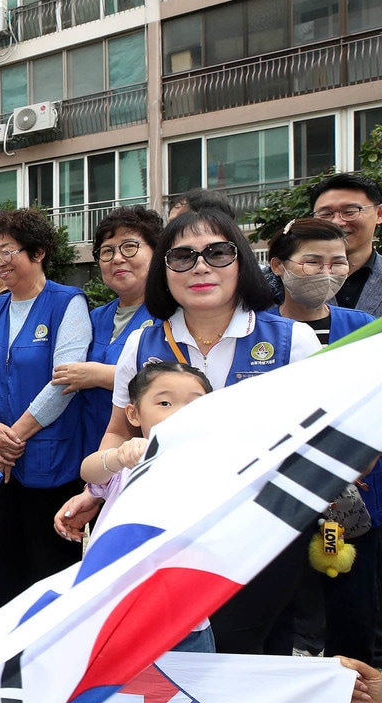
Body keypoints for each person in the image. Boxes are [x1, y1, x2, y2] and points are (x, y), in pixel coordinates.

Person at [101, 207, 321, 654]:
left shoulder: (292, 341)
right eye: (181, 257)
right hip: (164, 542)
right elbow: (116, 435)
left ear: (241, 260)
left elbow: (321, 444)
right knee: (172, 662)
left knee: (251, 657)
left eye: (217, 253)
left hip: (263, 536)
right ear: (165, 272)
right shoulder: (141, 342)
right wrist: (101, 488)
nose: (200, 266)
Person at [266, 218, 379, 670]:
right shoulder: (260, 330)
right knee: (282, 611)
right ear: (278, 266)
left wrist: (361, 458)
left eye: (338, 262)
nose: (326, 272)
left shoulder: (364, 327)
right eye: (312, 261)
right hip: (280, 493)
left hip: (356, 492)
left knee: (351, 607)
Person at [0, 209, 90, 601]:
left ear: (37, 252)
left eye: (8, 251)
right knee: (2, 564)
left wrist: (13, 438)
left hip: (49, 461)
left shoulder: (66, 303)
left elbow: (63, 382)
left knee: (48, 571)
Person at [77, 361, 216, 652]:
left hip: (184, 619)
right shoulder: (128, 461)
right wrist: (116, 457)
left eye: (194, 404)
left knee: (185, 692)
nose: (179, 412)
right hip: (114, 612)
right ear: (134, 413)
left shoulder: (212, 467)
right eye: (164, 402)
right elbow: (89, 471)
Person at [52, 207, 161, 451]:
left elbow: (176, 383)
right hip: (88, 452)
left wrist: (99, 375)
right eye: (107, 251)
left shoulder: (170, 316)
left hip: (139, 454)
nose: (117, 258)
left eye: (129, 246)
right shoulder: (94, 318)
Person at [308, 173, 382, 318]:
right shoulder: (281, 282)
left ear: (379, 214)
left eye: (349, 212)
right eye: (325, 214)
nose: (337, 222)